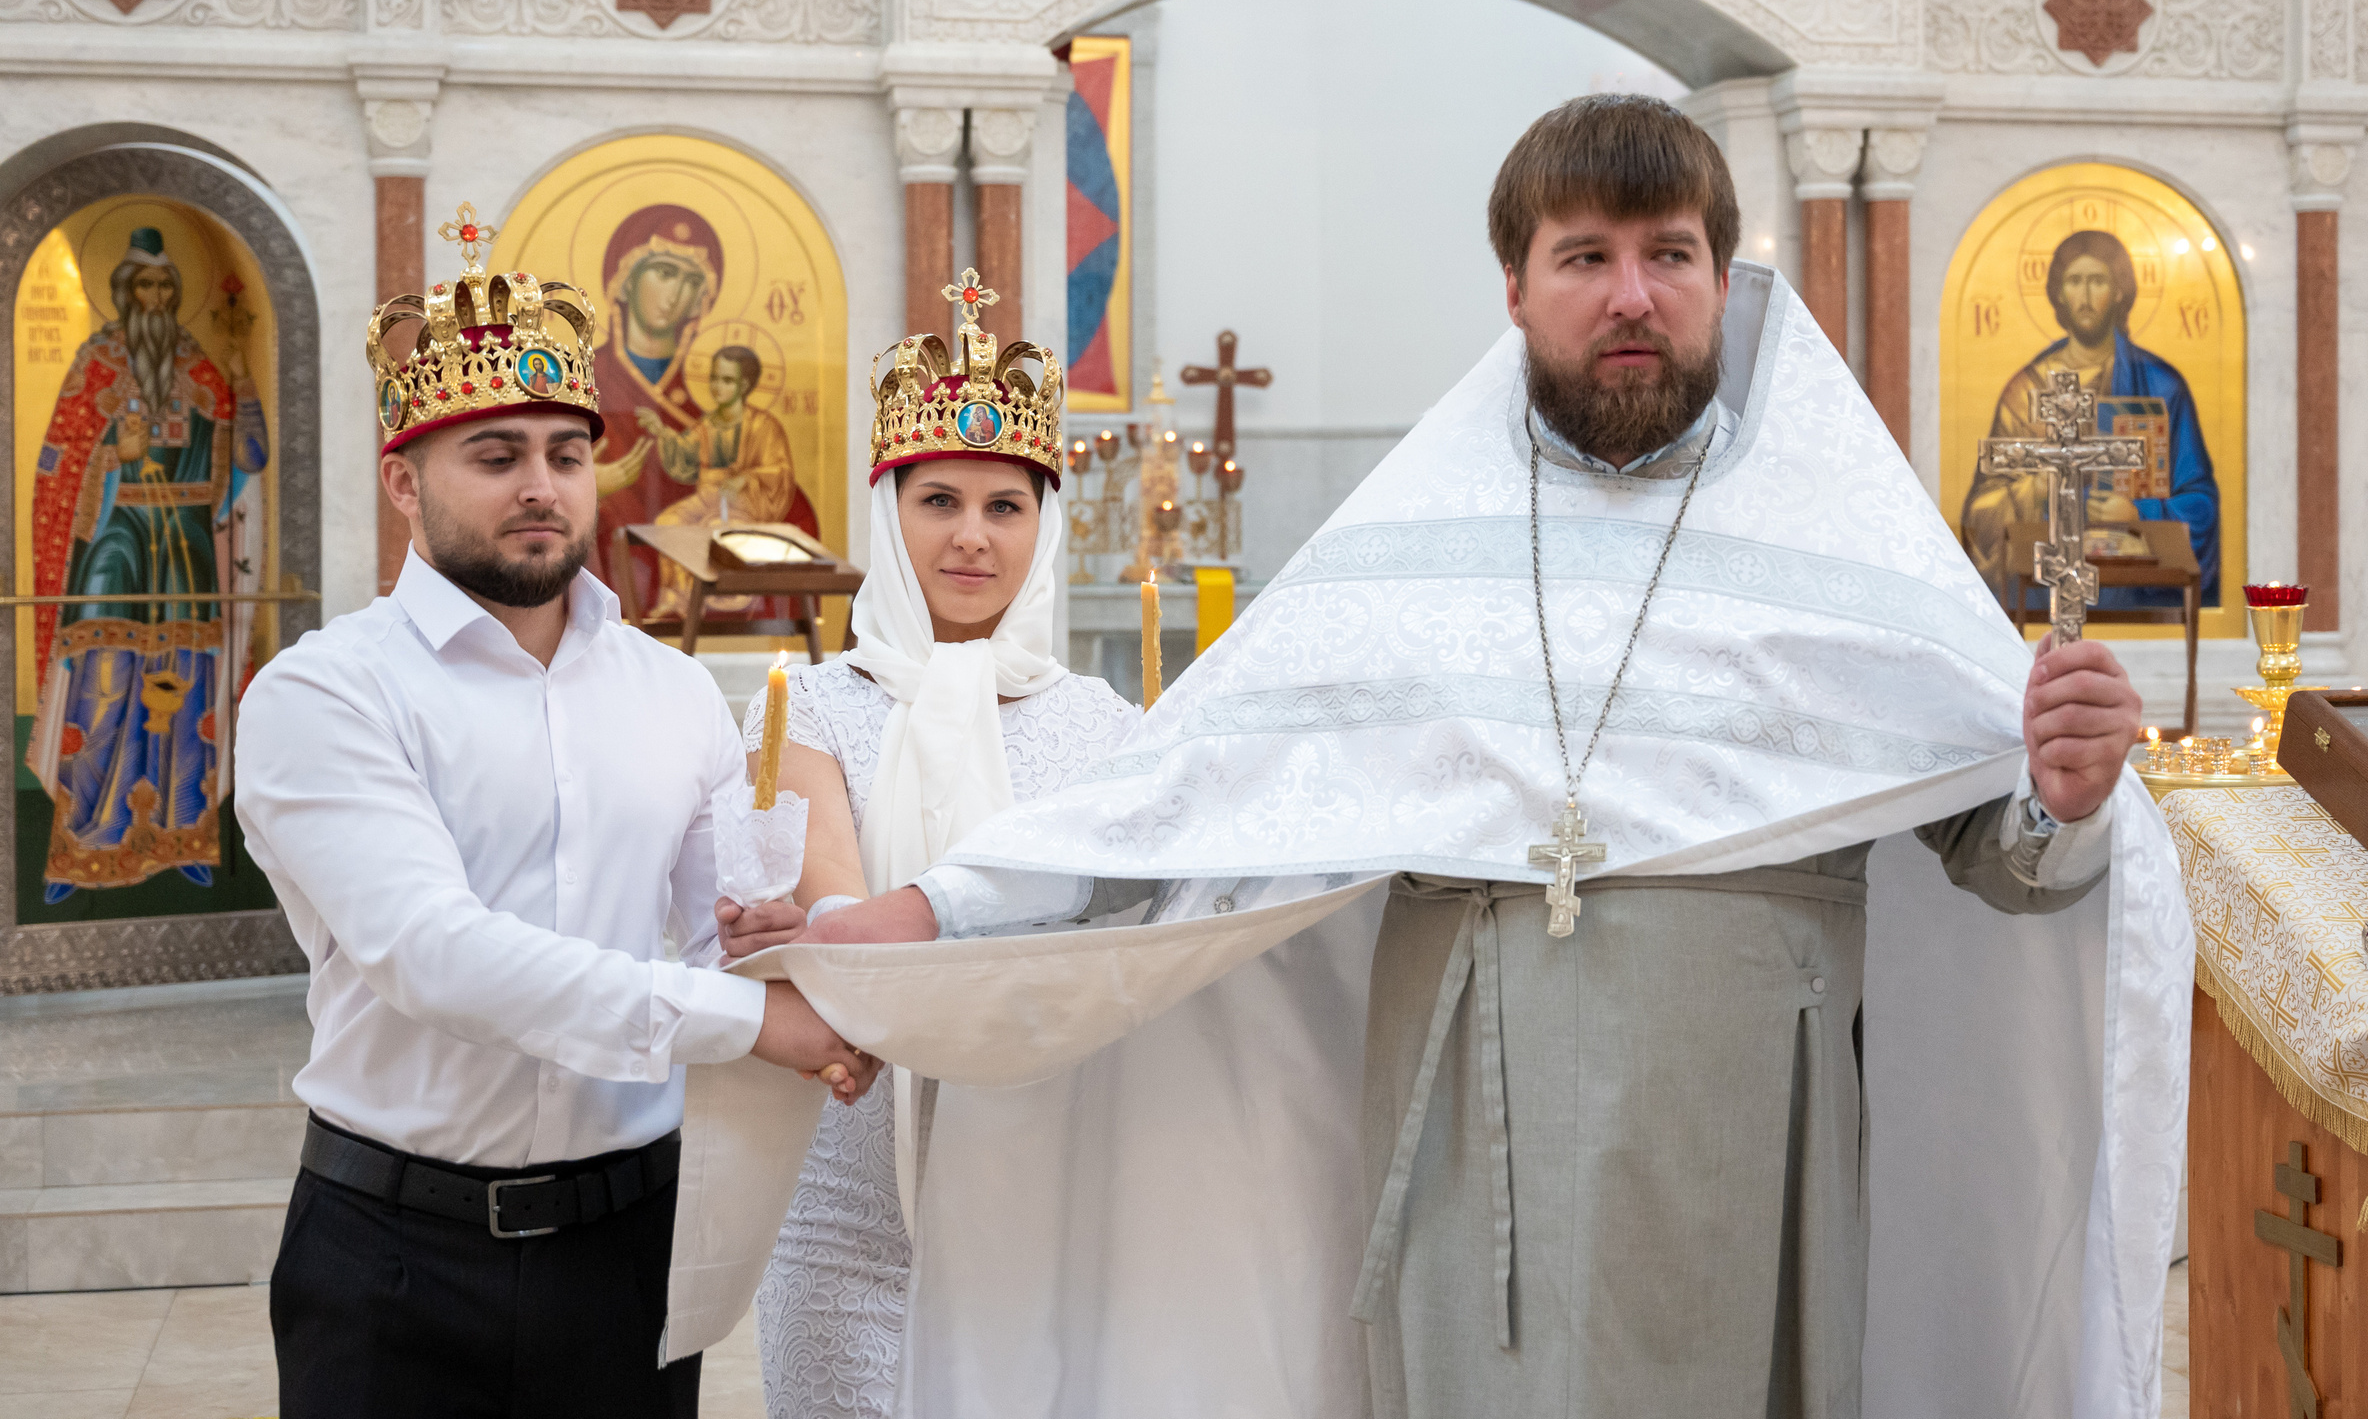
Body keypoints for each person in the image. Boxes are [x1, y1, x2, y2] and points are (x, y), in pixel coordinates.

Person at [746, 96, 2185, 1418]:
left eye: (1670, 254)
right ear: (1514, 291)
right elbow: (1180, 803)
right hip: (1465, 1114)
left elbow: (1992, 843)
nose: (1632, 295)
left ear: (1726, 279)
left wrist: (2062, 801)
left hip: (1757, 1107)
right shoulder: (1402, 552)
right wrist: (924, 915)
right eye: (1586, 256)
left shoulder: (1839, 545)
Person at [236, 217, 875, 1419]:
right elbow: (433, 953)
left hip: (626, 1247)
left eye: (566, 453)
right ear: (402, 480)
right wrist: (753, 1022)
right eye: (494, 454)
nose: (540, 484)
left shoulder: (675, 690)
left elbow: (717, 931)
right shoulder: (325, 692)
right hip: (393, 1254)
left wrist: (815, 949)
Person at [705, 286, 1137, 1417]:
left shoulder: (1105, 726)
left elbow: (1140, 937)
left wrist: (862, 934)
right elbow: (858, 959)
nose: (971, 535)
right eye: (937, 499)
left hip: (1056, 1193)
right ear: (887, 513)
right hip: (851, 1211)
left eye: (1007, 505)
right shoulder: (805, 711)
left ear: (1043, 526)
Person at [30, 223, 267, 897]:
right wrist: (114, 455)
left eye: (166, 284)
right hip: (115, 537)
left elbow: (250, 461)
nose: (157, 297)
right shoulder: (94, 362)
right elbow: (56, 460)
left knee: (182, 683)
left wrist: (244, 382)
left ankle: (182, 833)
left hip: (186, 545)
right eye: (144, 285)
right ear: (124, 293)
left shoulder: (197, 366)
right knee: (104, 683)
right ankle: (86, 839)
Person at [1960, 227, 2218, 612]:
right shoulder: (2026, 391)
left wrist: (2138, 513)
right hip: (2045, 581)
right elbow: (1980, 514)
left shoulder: (2163, 387)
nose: (2084, 296)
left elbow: (2201, 505)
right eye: (2074, 281)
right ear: (2058, 293)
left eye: (2097, 281)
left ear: (2119, 291)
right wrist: (2040, 487)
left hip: (2133, 587)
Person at [640, 344, 802, 620]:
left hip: (745, 505)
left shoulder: (763, 426)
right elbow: (684, 454)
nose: (717, 386)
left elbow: (779, 471)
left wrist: (745, 479)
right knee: (667, 522)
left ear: (744, 385)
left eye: (727, 380)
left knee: (719, 531)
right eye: (714, 378)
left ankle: (727, 603)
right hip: (708, 498)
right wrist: (661, 432)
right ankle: (676, 599)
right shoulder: (708, 424)